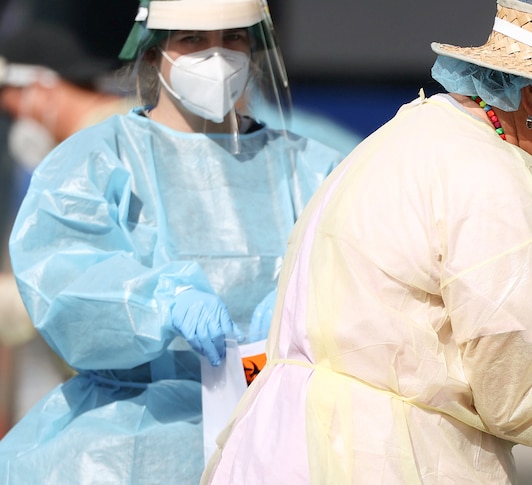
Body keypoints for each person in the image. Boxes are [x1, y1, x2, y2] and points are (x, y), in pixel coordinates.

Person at [202, 0, 532, 483]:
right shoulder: (489, 179)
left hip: (286, 450)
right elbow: (521, 397)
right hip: (374, 459)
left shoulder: (417, 133)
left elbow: (438, 346)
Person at [0, 0, 343, 483]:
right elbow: (62, 279)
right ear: (154, 49)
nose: (218, 58)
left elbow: (362, 273)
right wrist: (158, 300)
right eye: (192, 40)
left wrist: (305, 301)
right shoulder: (96, 161)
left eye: (235, 39)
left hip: (276, 439)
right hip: (125, 450)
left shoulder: (311, 167)